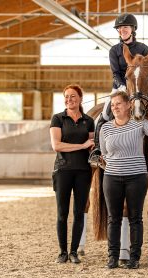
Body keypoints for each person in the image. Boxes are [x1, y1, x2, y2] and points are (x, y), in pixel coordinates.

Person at [89, 13, 148, 166]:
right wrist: (122, 86)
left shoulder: (143, 48)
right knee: (104, 114)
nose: (123, 30)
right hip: (120, 87)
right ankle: (97, 149)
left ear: (132, 29)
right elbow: (115, 72)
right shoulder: (114, 50)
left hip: (141, 91)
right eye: (120, 28)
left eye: (126, 27)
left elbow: (146, 72)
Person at [100, 91, 148, 269]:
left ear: (128, 105)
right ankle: (112, 257)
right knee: (113, 218)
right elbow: (105, 153)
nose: (115, 108)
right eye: (113, 105)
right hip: (111, 177)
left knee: (135, 218)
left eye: (118, 104)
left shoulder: (140, 124)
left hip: (136, 177)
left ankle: (134, 258)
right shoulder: (105, 128)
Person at [49, 84, 95, 264]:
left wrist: (91, 148)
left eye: (73, 96)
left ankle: (74, 251)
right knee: (62, 213)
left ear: (80, 99)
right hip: (63, 170)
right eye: (66, 97)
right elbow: (57, 146)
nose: (69, 99)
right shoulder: (58, 118)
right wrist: (81, 146)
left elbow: (91, 145)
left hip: (83, 171)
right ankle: (62, 252)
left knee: (79, 212)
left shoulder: (88, 121)